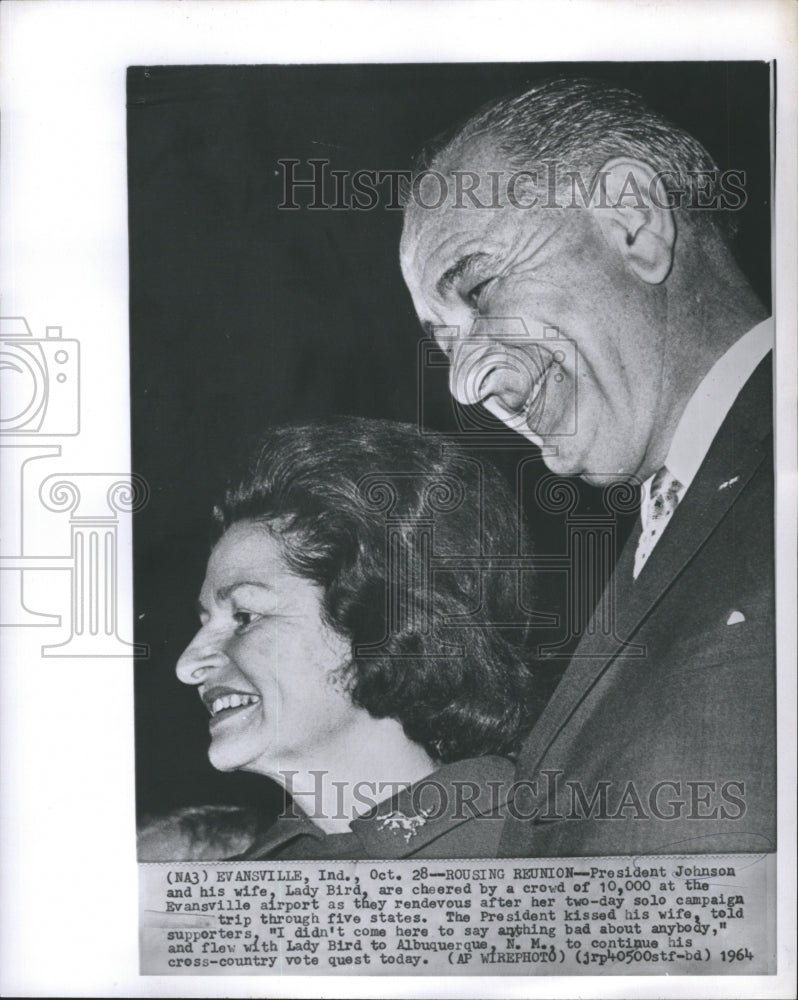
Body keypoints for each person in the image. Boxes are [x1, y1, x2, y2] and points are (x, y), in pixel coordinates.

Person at [400, 77, 774, 856]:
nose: (469, 386)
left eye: (480, 288)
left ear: (633, 221)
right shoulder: (664, 529)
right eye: (444, 347)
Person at [175, 417, 541, 859]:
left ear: (382, 626)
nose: (187, 664)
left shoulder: (545, 842)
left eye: (245, 616)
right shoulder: (229, 894)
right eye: (204, 621)